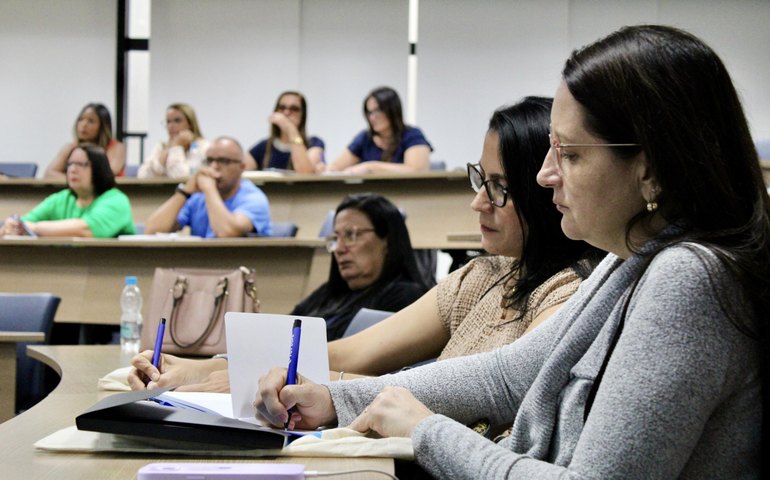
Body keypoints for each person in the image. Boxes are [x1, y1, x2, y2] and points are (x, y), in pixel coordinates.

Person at [254, 25, 770, 478]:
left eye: (568, 153)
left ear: (651, 166)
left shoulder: (689, 278)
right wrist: (336, 400)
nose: (545, 174)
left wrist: (427, 432)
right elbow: (510, 375)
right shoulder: (633, 257)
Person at [128, 97, 598, 393]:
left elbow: (456, 396)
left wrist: (234, 378)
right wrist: (213, 366)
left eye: (499, 186)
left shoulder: (568, 293)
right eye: (480, 180)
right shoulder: (485, 275)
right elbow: (351, 353)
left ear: (544, 190)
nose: (478, 203)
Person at [144, 136, 272, 238]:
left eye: (223, 161)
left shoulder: (254, 199)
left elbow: (225, 233)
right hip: (198, 267)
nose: (214, 167)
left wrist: (210, 189)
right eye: (209, 160)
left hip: (240, 268)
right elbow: (152, 230)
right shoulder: (197, 198)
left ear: (242, 167)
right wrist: (185, 191)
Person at [2, 144, 135, 237]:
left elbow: (85, 230)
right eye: (70, 164)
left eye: (81, 164)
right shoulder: (62, 199)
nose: (72, 169)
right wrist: (12, 226)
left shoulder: (116, 200)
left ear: (99, 169)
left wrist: (34, 228)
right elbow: (25, 222)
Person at [325, 86, 432, 174]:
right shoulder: (365, 138)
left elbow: (417, 171)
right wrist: (327, 169)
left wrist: (371, 167)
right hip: (369, 196)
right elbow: (335, 167)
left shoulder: (412, 135)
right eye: (369, 112)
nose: (372, 117)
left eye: (377, 111)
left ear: (392, 111)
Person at [244, 91, 325, 173]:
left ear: (302, 115)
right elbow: (242, 169)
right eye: (282, 108)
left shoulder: (314, 143)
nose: (286, 113)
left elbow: (305, 172)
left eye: (294, 109)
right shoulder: (264, 146)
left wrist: (290, 128)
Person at [45, 103, 126, 178]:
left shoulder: (116, 147)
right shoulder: (71, 147)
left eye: (91, 121)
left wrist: (78, 180)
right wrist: (73, 181)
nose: (84, 125)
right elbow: (49, 173)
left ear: (103, 127)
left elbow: (108, 174)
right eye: (81, 119)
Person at [138, 103, 209, 178]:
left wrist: (176, 147)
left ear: (190, 123)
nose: (171, 126)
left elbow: (181, 177)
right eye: (168, 122)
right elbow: (142, 176)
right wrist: (164, 156)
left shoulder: (203, 146)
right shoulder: (162, 146)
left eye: (177, 121)